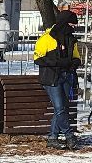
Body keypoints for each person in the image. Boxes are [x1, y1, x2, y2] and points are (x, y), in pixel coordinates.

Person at [32, 11, 84, 149]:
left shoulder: (71, 40)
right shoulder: (46, 39)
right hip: (51, 77)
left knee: (61, 109)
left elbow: (76, 57)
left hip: (67, 76)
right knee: (60, 108)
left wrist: (74, 63)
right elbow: (38, 59)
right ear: (64, 23)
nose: (73, 28)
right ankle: (69, 136)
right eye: (71, 25)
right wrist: (60, 62)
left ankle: (52, 138)